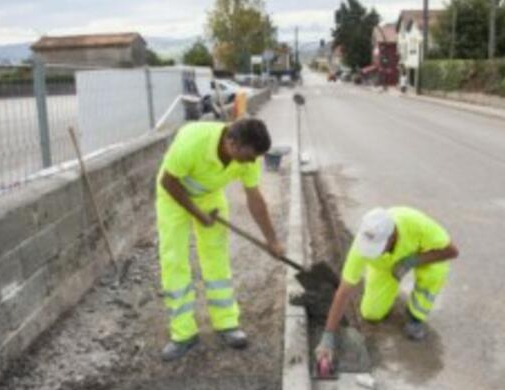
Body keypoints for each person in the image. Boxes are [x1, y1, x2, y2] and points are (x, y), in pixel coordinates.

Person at [156, 118, 285, 362]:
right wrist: (198, 214)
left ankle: (226, 323)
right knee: (174, 260)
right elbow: (168, 181)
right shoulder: (193, 140)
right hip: (173, 196)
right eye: (249, 156)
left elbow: (255, 199)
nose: (253, 162)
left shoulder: (248, 157)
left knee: (216, 257)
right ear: (232, 142)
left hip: (209, 195)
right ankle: (183, 334)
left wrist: (272, 241)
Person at [315, 207, 459, 364]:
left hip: (425, 255)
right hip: (385, 267)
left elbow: (452, 251)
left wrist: (411, 261)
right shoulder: (360, 247)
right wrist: (328, 337)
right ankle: (387, 289)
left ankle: (416, 316)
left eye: (377, 247)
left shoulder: (416, 224)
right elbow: (343, 292)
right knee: (371, 313)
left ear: (392, 236)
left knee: (434, 274)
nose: (371, 251)